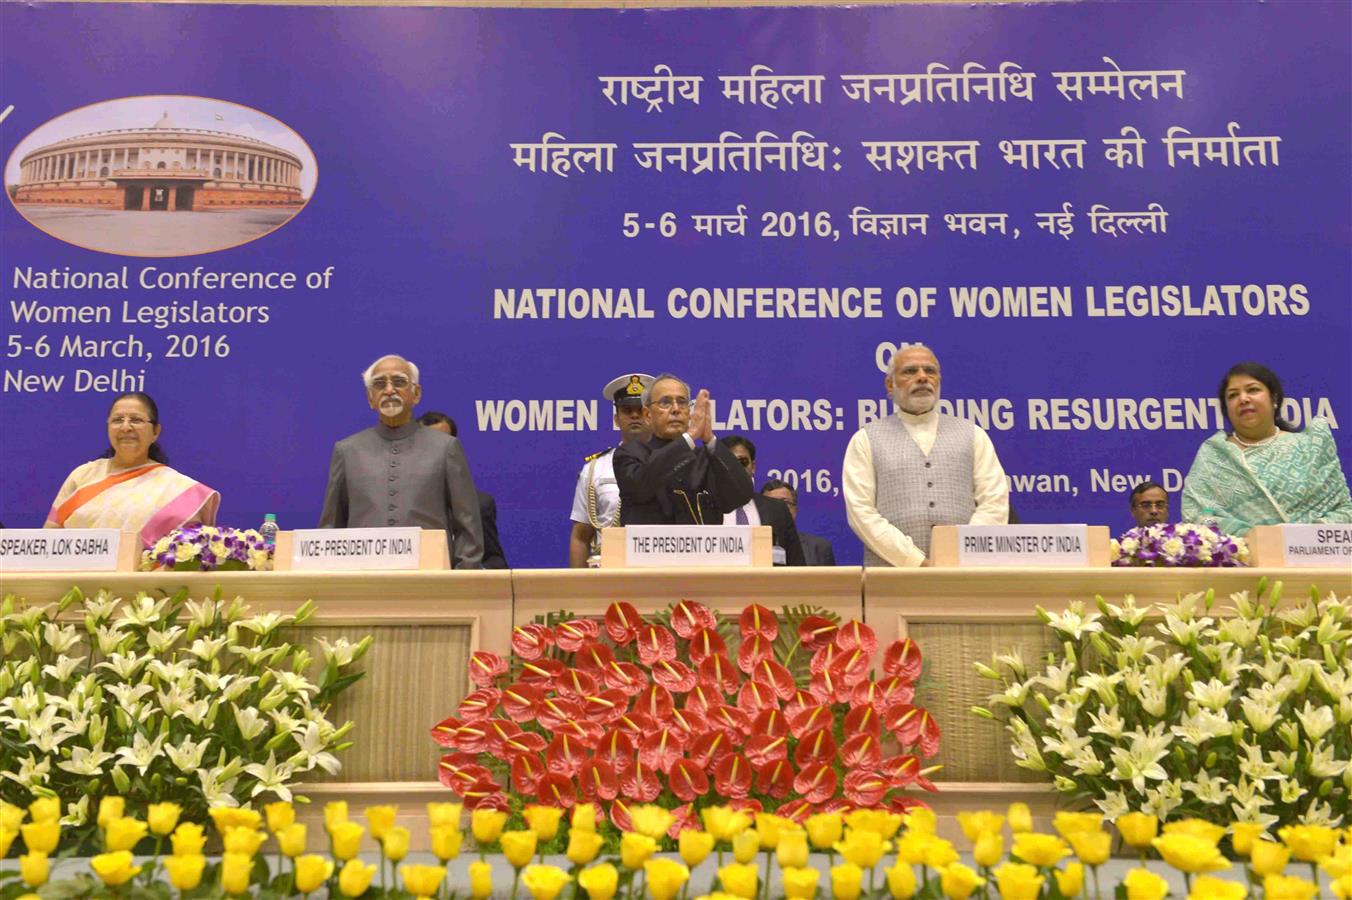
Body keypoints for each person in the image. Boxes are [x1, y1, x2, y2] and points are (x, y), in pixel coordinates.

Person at [843, 344, 1009, 566]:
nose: (922, 377)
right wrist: (914, 561)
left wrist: (963, 555)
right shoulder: (865, 439)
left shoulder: (973, 435)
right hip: (891, 575)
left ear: (939, 380)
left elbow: (994, 502)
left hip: (964, 573)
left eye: (930, 371)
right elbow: (861, 513)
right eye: (910, 371)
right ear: (890, 384)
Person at [319, 354, 484, 568]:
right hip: (363, 578)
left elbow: (468, 525)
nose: (389, 390)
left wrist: (462, 579)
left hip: (430, 579)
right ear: (370, 398)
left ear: (416, 394)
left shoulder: (445, 448)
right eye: (380, 384)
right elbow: (330, 530)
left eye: (399, 382)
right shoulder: (347, 451)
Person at [1182, 362, 1352, 534]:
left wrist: (1303, 536)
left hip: (1313, 548)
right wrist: (1250, 536)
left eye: (1253, 390)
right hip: (1241, 550)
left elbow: (1344, 511)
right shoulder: (1213, 457)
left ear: (1274, 398)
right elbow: (1195, 518)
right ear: (1226, 409)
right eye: (1233, 395)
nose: (1243, 399)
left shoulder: (1311, 447)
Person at [45, 391, 219, 548]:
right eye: (117, 420)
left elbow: (187, 553)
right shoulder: (83, 475)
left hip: (145, 575)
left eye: (136, 420)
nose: (126, 427)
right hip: (76, 574)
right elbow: (48, 540)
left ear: (156, 432)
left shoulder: (177, 489)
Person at [614, 373, 754, 525]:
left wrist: (710, 439)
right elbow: (639, 488)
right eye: (665, 403)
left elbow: (741, 496)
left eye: (682, 402)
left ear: (689, 412)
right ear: (648, 415)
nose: (676, 409)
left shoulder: (707, 458)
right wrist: (690, 436)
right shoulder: (630, 453)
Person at [568, 373, 654, 567]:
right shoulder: (595, 469)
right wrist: (577, 584)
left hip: (657, 568)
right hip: (607, 570)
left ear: (651, 416)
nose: (634, 416)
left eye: (640, 410)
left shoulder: (672, 463)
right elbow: (580, 536)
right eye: (627, 410)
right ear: (616, 419)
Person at [418, 411, 507, 569]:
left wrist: (469, 571)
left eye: (441, 444)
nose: (434, 454)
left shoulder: (479, 505)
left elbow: (495, 561)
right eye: (426, 446)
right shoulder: (395, 504)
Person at [722, 435, 805, 566]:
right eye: (729, 462)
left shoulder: (777, 510)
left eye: (743, 462)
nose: (737, 468)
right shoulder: (704, 510)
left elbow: (796, 565)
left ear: (753, 466)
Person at [762, 478, 836, 566]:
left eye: (784, 504)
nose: (778, 509)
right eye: (770, 503)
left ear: (795, 510)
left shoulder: (819, 548)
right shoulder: (749, 547)